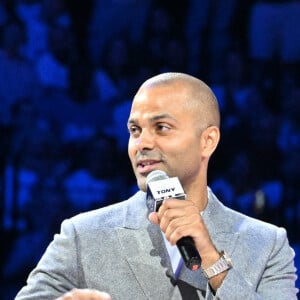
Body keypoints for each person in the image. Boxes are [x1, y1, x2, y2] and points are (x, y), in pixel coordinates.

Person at [15, 73, 298, 299]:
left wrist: (214, 262)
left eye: (162, 127)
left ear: (208, 141)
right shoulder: (82, 236)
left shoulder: (267, 244)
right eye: (134, 131)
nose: (143, 143)